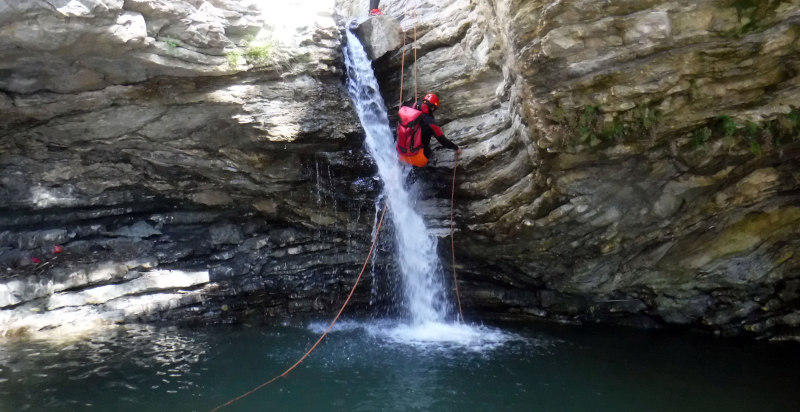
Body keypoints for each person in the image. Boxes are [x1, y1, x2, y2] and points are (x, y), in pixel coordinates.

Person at [396, 93, 461, 167]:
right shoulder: (430, 122)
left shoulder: (413, 109)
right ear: (432, 108)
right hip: (418, 158)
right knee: (429, 160)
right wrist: (456, 148)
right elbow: (442, 140)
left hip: (401, 153)